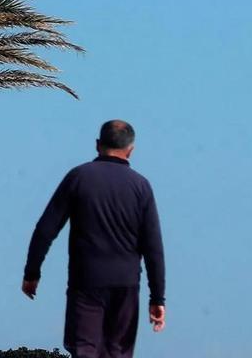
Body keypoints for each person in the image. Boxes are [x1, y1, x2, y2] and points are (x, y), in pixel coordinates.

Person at [22, 120, 166, 358]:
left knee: (85, 348)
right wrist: (157, 297)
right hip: (126, 283)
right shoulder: (141, 186)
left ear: (98, 145)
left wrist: (32, 273)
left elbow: (45, 229)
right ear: (131, 149)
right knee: (117, 351)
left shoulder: (78, 177)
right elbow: (153, 248)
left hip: (86, 281)